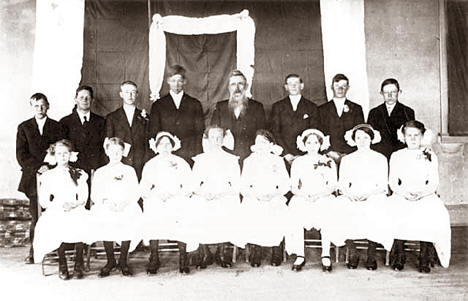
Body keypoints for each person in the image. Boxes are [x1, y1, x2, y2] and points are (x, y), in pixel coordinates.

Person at [388, 120, 451, 273]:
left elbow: (434, 182)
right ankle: (399, 256)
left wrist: (422, 193)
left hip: (425, 194)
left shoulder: (429, 155)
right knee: (395, 211)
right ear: (403, 137)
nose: (413, 138)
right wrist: (404, 193)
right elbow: (393, 182)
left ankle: (424, 257)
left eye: (416, 135)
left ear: (422, 136)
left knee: (432, 212)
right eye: (409, 135)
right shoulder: (397, 155)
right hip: (402, 194)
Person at [16, 93, 65, 263]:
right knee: (36, 216)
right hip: (33, 178)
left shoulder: (57, 126)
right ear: (31, 107)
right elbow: (21, 154)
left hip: (54, 177)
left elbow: (62, 150)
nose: (40, 109)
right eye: (36, 106)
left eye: (43, 105)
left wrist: (50, 167)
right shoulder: (24, 127)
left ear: (48, 106)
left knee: (54, 214)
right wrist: (38, 167)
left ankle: (56, 251)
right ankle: (34, 252)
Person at [336, 124, 393, 270]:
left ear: (372, 139)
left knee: (377, 207)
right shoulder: (347, 159)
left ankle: (371, 254)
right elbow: (342, 184)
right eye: (358, 138)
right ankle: (353, 252)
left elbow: (382, 184)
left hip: (373, 194)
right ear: (353, 140)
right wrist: (350, 194)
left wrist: (368, 195)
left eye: (366, 137)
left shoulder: (380, 158)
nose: (362, 141)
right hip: (352, 194)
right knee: (340, 206)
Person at [140, 131, 198, 274]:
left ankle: (183, 258)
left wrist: (175, 194)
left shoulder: (181, 162)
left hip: (177, 197)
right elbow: (144, 187)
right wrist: (155, 194)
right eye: (161, 144)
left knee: (182, 213)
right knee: (152, 211)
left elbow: (189, 185)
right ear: (156, 146)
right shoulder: (150, 164)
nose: (165, 147)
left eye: (168, 144)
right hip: (157, 198)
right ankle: (154, 257)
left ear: (173, 146)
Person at [33, 139, 90, 280]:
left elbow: (83, 195)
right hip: (57, 207)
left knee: (82, 221)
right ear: (54, 155)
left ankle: (78, 263)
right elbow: (44, 200)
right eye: (59, 153)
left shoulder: (79, 173)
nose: (63, 156)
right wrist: (56, 207)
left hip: (75, 206)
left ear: (71, 155)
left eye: (66, 153)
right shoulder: (48, 175)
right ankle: (62, 263)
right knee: (56, 223)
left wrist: (74, 204)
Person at [285, 129, 338, 272]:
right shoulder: (298, 162)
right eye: (309, 142)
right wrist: (304, 195)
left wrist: (319, 195)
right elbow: (293, 186)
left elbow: (333, 185)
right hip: (303, 196)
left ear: (321, 144)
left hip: (323, 196)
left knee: (327, 210)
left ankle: (325, 254)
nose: (312, 145)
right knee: (296, 209)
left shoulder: (328, 161)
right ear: (304, 144)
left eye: (315, 142)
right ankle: (300, 254)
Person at [90, 137, 142, 277]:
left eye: (119, 151)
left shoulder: (129, 170)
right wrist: (107, 203)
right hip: (107, 205)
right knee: (104, 219)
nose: (115, 154)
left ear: (123, 152)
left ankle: (123, 261)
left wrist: (126, 202)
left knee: (130, 218)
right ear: (106, 151)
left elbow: (135, 191)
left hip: (126, 204)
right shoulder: (101, 172)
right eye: (112, 151)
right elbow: (95, 194)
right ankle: (110, 260)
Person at [191, 125, 241, 268]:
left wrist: (221, 194)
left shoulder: (231, 159)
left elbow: (236, 184)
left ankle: (221, 252)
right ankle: (205, 252)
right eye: (213, 137)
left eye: (219, 136)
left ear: (224, 139)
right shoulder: (200, 159)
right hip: (205, 193)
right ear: (207, 139)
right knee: (197, 207)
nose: (216, 140)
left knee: (228, 207)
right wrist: (203, 193)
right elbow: (194, 184)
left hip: (224, 194)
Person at [238, 130, 290, 267]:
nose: (261, 145)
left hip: (274, 196)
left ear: (271, 144)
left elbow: (285, 183)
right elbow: (243, 184)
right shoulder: (249, 161)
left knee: (277, 211)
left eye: (264, 142)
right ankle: (256, 250)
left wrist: (274, 194)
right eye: (258, 142)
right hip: (254, 196)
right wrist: (255, 195)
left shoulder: (278, 160)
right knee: (252, 211)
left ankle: (276, 250)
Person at [146, 65, 204, 165]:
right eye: (173, 81)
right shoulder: (158, 105)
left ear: (184, 81)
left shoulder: (194, 104)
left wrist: (196, 154)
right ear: (168, 81)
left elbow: (199, 132)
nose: (176, 84)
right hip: (166, 152)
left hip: (189, 152)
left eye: (179, 81)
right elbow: (154, 131)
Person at [60, 85, 106, 208]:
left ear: (92, 100)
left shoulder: (101, 121)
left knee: (93, 204)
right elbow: (62, 149)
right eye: (81, 97)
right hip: (73, 171)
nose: (85, 100)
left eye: (87, 97)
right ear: (75, 99)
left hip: (94, 170)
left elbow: (104, 148)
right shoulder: (65, 122)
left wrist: (99, 168)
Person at [211, 70, 266, 162]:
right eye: (233, 84)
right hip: (226, 157)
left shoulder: (257, 107)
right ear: (229, 88)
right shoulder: (220, 107)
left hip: (250, 157)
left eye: (240, 84)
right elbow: (213, 131)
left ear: (246, 86)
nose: (237, 88)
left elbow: (262, 133)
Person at [270, 74, 320, 165]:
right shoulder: (277, 106)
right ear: (286, 87)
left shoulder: (312, 107)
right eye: (290, 83)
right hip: (283, 156)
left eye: (296, 83)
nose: (293, 86)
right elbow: (274, 131)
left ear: (302, 86)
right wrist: (285, 153)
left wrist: (304, 154)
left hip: (305, 155)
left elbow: (313, 131)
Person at [105, 81, 148, 179]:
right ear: (121, 94)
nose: (130, 95)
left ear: (137, 94)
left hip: (140, 163)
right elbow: (109, 143)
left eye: (133, 92)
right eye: (127, 92)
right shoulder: (112, 117)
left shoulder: (145, 117)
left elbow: (147, 142)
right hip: (120, 163)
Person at [318, 74, 364, 163]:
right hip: (328, 155)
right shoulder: (321, 109)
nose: (340, 89)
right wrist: (329, 152)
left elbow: (360, 133)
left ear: (348, 88)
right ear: (332, 87)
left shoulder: (356, 108)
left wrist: (349, 154)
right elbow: (319, 133)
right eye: (337, 86)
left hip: (351, 155)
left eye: (343, 86)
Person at [368, 78, 415, 159]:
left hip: (400, 155)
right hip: (379, 155)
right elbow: (370, 137)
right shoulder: (374, 112)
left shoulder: (407, 111)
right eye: (386, 92)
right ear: (381, 93)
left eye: (393, 92)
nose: (389, 95)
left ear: (399, 92)